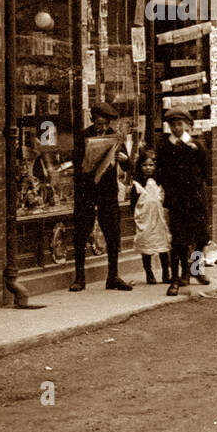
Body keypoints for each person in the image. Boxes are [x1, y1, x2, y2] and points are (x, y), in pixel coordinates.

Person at [72, 101, 131, 291]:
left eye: (106, 124)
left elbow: (129, 167)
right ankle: (80, 277)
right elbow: (76, 164)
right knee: (81, 232)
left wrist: (125, 160)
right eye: (99, 123)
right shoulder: (83, 136)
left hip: (107, 191)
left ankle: (113, 276)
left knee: (112, 232)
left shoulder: (115, 137)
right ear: (92, 120)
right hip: (86, 190)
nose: (103, 128)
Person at [155, 108, 210, 296]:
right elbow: (159, 172)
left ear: (187, 125)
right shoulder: (164, 146)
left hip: (195, 198)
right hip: (177, 200)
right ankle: (177, 278)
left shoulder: (197, 145)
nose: (176, 128)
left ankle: (195, 269)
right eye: (173, 125)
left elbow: (206, 171)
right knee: (178, 240)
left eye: (180, 124)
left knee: (200, 237)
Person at [129, 148, 172, 286]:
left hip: (159, 219)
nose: (148, 168)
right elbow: (133, 204)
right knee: (146, 248)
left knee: (163, 247)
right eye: (145, 165)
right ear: (140, 166)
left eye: (151, 165)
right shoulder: (137, 184)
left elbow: (165, 199)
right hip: (145, 219)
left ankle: (166, 273)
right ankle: (149, 273)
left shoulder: (160, 182)